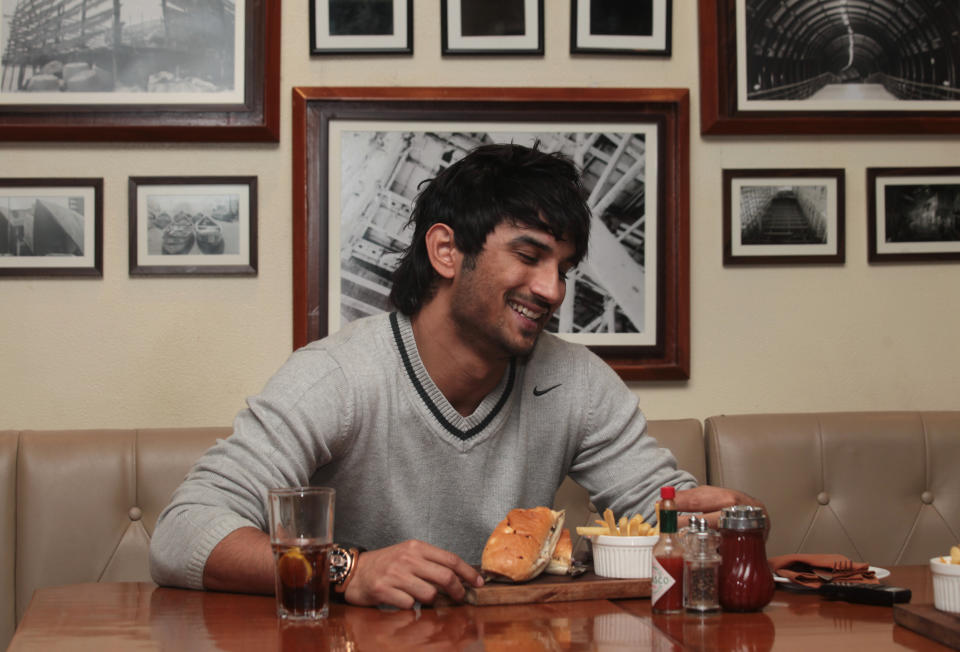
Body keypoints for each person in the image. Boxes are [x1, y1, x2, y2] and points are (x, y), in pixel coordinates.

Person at [150, 142, 762, 609]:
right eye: (528, 256)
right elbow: (183, 533)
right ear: (446, 251)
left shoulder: (577, 382)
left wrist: (715, 522)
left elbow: (659, 517)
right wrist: (348, 570)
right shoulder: (336, 377)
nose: (552, 290)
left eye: (564, 268)